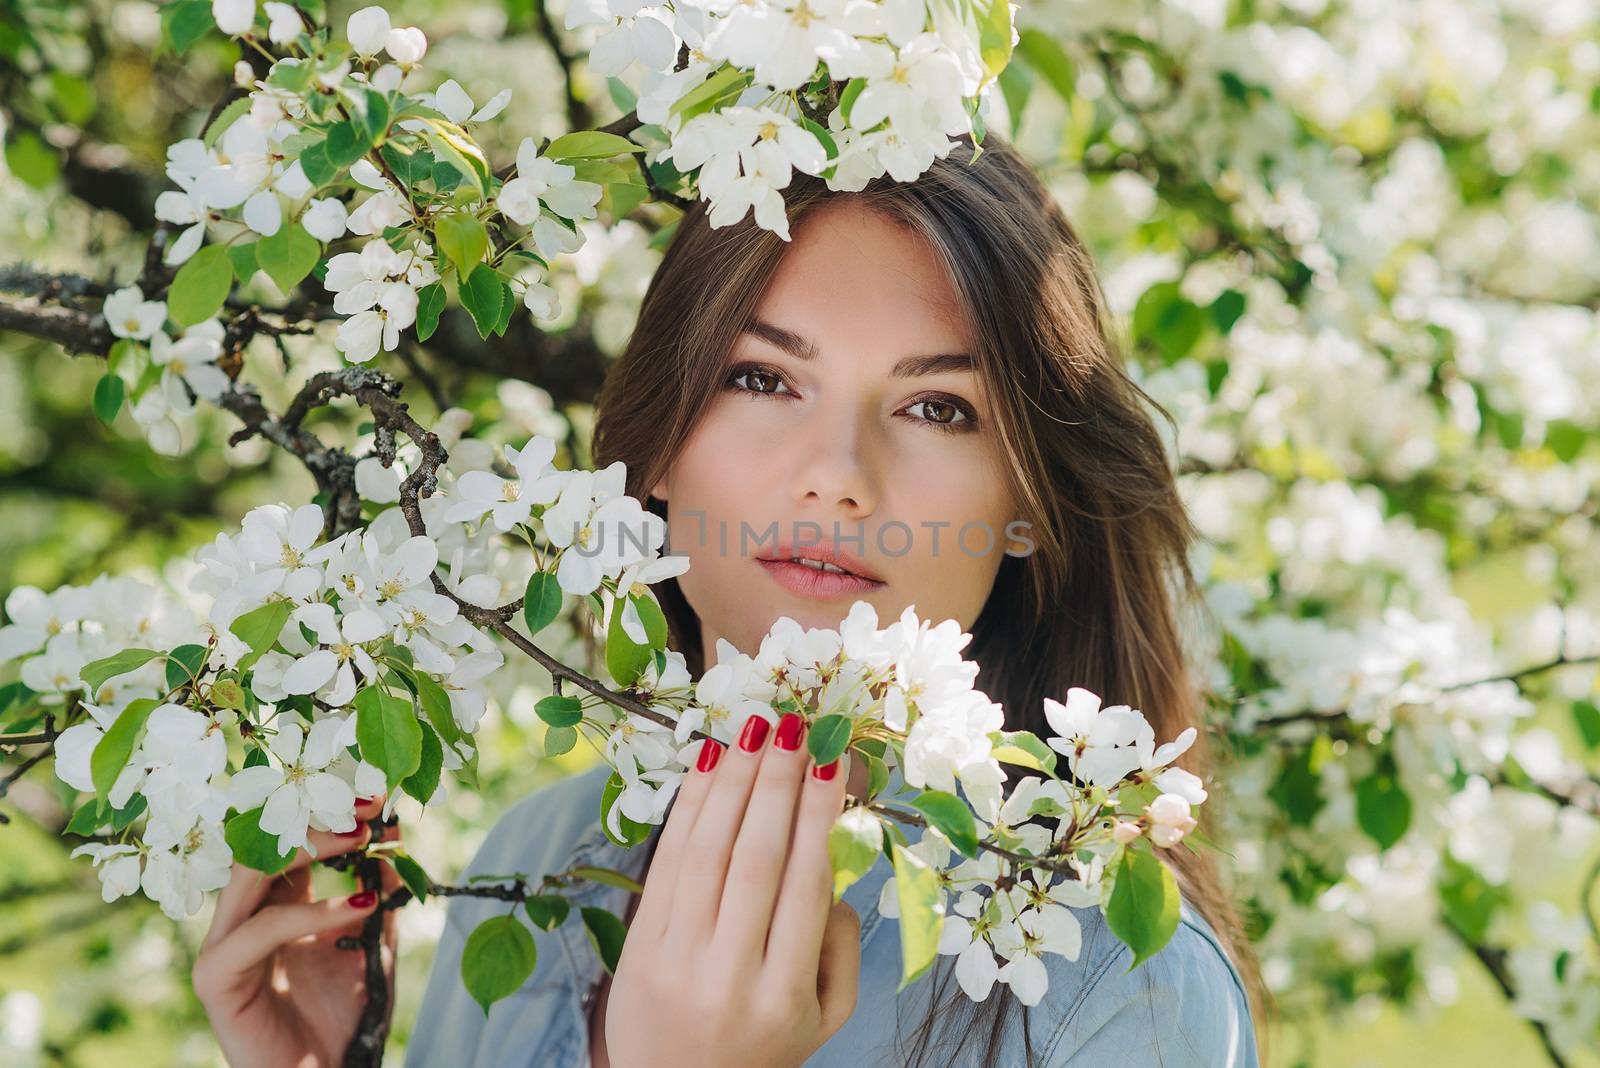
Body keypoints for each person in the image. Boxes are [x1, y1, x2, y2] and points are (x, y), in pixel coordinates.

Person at [195, 131, 1267, 1067]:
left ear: (1030, 499)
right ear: (655, 443)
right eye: (762, 379)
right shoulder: (537, 861)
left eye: (938, 407)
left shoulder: (1118, 992)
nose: (836, 473)